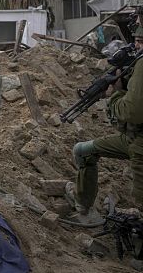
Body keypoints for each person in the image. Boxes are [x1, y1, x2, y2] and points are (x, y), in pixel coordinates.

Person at [66, 23, 143, 223]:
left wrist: (114, 94)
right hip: (133, 138)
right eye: (136, 41)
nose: (136, 46)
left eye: (140, 42)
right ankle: (83, 208)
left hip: (139, 144)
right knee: (83, 151)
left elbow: (131, 112)